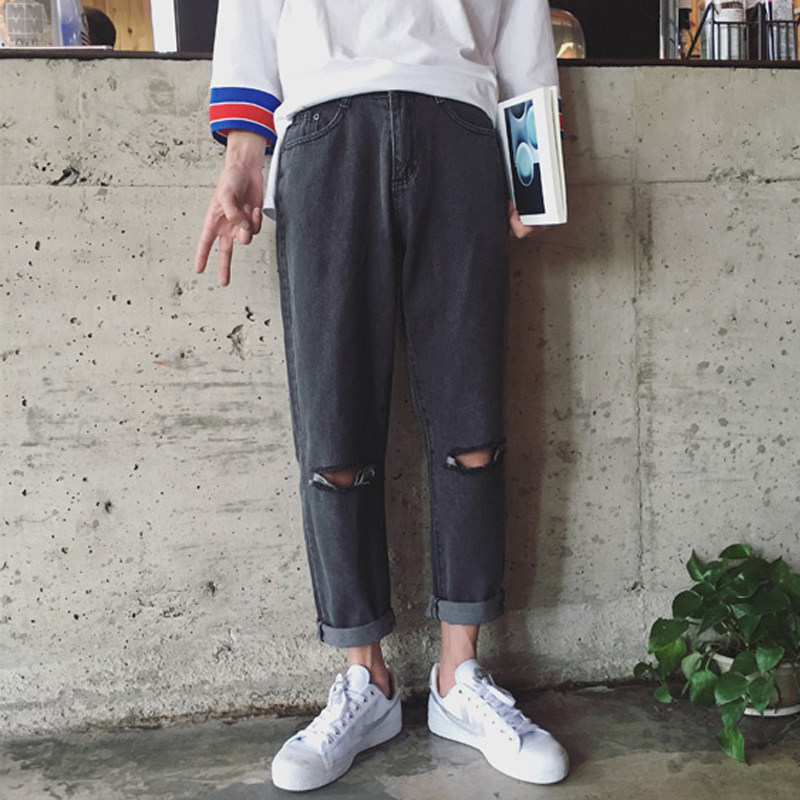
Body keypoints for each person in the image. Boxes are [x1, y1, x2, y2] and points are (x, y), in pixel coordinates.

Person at [195, 0, 569, 791]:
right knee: (333, 433)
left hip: (461, 127)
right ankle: (364, 680)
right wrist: (243, 153)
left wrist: (532, 165)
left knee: (471, 427)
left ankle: (459, 679)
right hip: (324, 126)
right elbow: (251, 17)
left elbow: (521, 25)